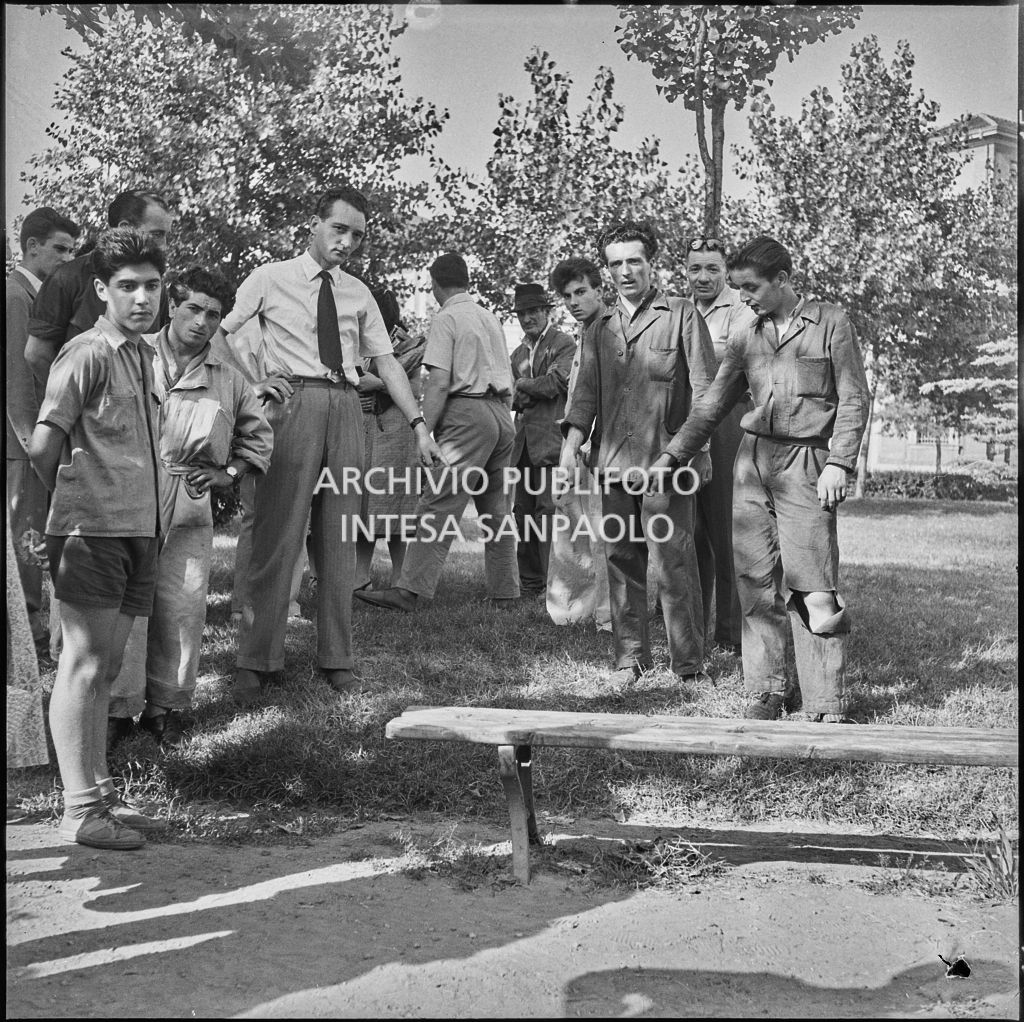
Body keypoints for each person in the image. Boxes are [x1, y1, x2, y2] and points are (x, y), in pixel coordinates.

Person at [218, 185, 443, 702]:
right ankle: (256, 660)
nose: (347, 242)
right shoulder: (270, 277)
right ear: (314, 226)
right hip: (290, 407)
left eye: (357, 236)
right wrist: (250, 384)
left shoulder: (358, 293)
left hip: (346, 407)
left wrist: (419, 426)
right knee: (277, 537)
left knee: (340, 539)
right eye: (339, 229)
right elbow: (219, 334)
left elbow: (386, 363)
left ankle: (337, 658)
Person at [661, 237, 870, 722]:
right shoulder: (746, 334)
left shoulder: (831, 323)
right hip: (752, 463)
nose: (744, 297)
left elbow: (854, 398)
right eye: (738, 288)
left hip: (808, 463)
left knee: (813, 582)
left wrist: (839, 463)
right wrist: (674, 455)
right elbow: (712, 404)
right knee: (754, 580)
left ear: (782, 279)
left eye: (751, 287)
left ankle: (825, 701)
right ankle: (768, 689)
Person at [28, 228, 166, 850]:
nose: (142, 298)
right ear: (101, 290)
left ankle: (101, 795)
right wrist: (70, 508)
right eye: (127, 286)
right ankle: (79, 809)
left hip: (140, 529)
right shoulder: (85, 352)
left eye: (152, 286)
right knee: (81, 665)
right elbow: (44, 444)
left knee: (106, 667)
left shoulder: (143, 355)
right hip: (91, 531)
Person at [108, 268, 273, 746]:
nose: (202, 322)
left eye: (213, 315)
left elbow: (259, 438)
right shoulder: (130, 353)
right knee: (124, 606)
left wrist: (230, 473)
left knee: (181, 605)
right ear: (172, 307)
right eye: (194, 309)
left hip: (188, 499)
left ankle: (165, 707)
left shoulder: (228, 377)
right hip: (129, 494)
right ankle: (117, 708)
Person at [559, 221, 717, 689]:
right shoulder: (598, 328)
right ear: (607, 271)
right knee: (621, 561)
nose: (625, 271)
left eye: (634, 261)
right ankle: (630, 659)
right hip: (611, 466)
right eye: (616, 264)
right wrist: (569, 451)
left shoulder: (682, 314)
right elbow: (584, 397)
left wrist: (694, 451)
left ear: (651, 264)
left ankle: (689, 665)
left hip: (666, 466)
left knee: (674, 562)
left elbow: (706, 393)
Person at [356, 252, 520, 612]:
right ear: (466, 280)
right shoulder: (489, 318)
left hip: (467, 412)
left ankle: (408, 590)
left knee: (437, 504)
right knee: (496, 511)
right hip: (500, 412)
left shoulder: (447, 318)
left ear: (434, 285)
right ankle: (506, 592)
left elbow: (440, 382)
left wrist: (424, 432)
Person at [7, 207, 81, 662]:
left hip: (33, 438)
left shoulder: (37, 294)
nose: (67, 258)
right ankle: (27, 631)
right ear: (31, 246)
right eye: (60, 249)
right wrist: (35, 446)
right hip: (24, 442)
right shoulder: (17, 296)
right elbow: (18, 380)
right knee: (27, 533)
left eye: (72, 251)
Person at [686, 236, 757, 653]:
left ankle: (730, 632)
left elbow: (736, 362)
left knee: (725, 527)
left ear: (725, 271)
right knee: (689, 528)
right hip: (686, 421)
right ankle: (690, 622)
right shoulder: (680, 309)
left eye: (712, 268)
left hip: (727, 419)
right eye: (695, 268)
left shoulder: (741, 308)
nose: (703, 277)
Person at [25, 189, 173, 381]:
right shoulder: (67, 278)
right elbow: (37, 354)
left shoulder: (157, 286)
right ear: (124, 227)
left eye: (166, 236)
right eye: (157, 234)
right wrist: (77, 394)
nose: (164, 245)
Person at [545, 258, 611, 631]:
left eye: (581, 292)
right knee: (571, 525)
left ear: (600, 290)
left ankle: (608, 616)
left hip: (600, 446)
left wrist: (585, 443)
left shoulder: (612, 330)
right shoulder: (585, 332)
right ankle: (572, 610)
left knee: (603, 532)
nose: (573, 301)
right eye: (567, 295)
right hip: (575, 440)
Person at [353, 286, 426, 590]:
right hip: (364, 430)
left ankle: (399, 577)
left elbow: (414, 389)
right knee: (365, 504)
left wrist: (379, 385)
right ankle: (359, 576)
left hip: (397, 432)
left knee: (398, 506)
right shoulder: (358, 342)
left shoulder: (411, 346)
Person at [509, 282, 575, 599]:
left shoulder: (563, 343)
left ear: (547, 311)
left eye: (533, 311)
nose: (527, 318)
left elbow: (556, 384)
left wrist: (523, 384)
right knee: (522, 512)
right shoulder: (517, 353)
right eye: (522, 313)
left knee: (548, 513)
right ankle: (530, 582)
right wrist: (527, 388)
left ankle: (553, 584)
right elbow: (511, 398)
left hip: (550, 442)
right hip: (522, 443)